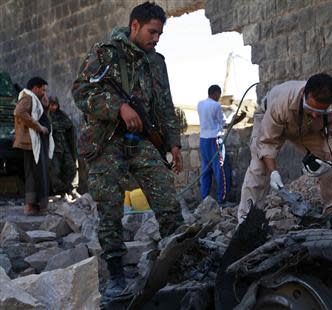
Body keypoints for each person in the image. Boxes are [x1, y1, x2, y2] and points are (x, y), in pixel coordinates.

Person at [72, 2, 182, 301]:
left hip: (141, 141)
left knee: (167, 199)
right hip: (105, 142)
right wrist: (118, 107)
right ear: (134, 26)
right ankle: (116, 274)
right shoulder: (103, 53)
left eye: (160, 33)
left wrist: (174, 142)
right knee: (109, 209)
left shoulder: (155, 61)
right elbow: (81, 93)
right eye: (152, 32)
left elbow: (164, 104)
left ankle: (181, 263)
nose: (156, 38)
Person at [238, 73, 332, 223]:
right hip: (272, 118)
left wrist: (327, 160)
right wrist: (274, 172)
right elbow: (267, 143)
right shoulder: (281, 103)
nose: (316, 115)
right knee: (259, 166)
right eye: (312, 109)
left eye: (321, 112)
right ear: (303, 94)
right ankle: (247, 219)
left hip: (308, 128)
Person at [13, 77, 54, 215]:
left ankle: (37, 206)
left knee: (39, 173)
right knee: (33, 173)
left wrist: (45, 103)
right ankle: (30, 206)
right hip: (31, 143)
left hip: (36, 142)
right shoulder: (27, 98)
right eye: (43, 89)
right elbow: (19, 112)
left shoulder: (35, 99)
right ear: (35, 88)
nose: (44, 92)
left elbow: (39, 114)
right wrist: (38, 127)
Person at [197, 85, 231, 204]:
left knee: (205, 171)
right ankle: (222, 200)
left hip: (203, 140)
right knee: (220, 170)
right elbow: (223, 122)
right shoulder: (216, 105)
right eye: (219, 95)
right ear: (216, 93)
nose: (219, 97)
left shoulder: (200, 104)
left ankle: (205, 200)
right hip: (214, 140)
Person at [48, 96, 77, 197]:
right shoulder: (45, 115)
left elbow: (69, 127)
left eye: (55, 105)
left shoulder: (61, 115)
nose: (53, 107)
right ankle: (59, 190)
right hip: (53, 148)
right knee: (55, 170)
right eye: (51, 105)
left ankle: (68, 189)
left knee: (71, 167)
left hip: (65, 146)